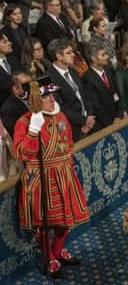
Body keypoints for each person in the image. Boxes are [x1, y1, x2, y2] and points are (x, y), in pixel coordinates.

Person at [13, 75, 89, 278]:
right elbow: (21, 153)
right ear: (35, 100)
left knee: (65, 219)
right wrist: (33, 131)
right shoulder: (24, 122)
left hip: (62, 172)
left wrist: (65, 166)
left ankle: (55, 253)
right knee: (45, 224)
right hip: (41, 177)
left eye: (52, 95)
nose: (52, 99)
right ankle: (50, 257)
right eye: (46, 96)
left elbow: (68, 143)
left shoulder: (60, 116)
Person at [46, 38, 95, 141]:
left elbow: (85, 94)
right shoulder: (49, 79)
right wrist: (83, 121)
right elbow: (61, 107)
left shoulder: (72, 71)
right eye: (69, 53)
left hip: (90, 122)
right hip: (73, 129)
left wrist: (90, 115)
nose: (73, 55)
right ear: (59, 56)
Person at [82, 43, 125, 132]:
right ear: (93, 58)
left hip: (118, 118)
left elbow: (118, 93)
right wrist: (112, 123)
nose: (107, 57)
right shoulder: (87, 78)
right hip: (105, 125)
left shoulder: (108, 70)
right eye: (103, 55)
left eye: (106, 54)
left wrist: (119, 115)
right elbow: (96, 107)